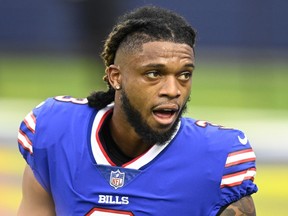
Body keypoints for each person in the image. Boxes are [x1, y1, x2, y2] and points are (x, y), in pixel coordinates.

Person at [17, 6, 258, 216]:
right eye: (154, 74)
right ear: (115, 77)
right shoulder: (56, 131)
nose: (173, 90)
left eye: (184, 75)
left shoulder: (218, 157)